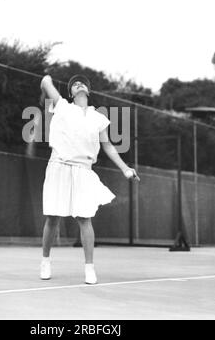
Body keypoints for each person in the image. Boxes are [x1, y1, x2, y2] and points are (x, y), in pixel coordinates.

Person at [40, 74, 139, 285]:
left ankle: (89, 268)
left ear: (88, 91)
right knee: (53, 217)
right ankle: (45, 261)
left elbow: (108, 146)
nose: (78, 84)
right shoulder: (63, 106)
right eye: (74, 84)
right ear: (70, 93)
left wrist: (125, 168)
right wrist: (47, 78)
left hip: (83, 170)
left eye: (82, 83)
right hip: (58, 166)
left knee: (85, 219)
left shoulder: (98, 117)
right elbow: (46, 83)